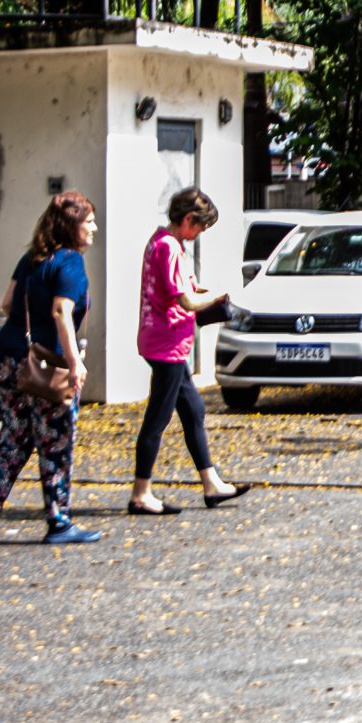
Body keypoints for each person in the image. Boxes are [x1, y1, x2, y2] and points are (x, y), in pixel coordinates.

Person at [0, 192, 103, 546]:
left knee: (16, 434)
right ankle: (59, 521)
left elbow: (8, 303)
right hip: (45, 365)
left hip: (7, 357)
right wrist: (74, 361)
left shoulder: (31, 259)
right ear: (71, 226)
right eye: (89, 221)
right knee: (56, 440)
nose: (94, 228)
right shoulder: (70, 261)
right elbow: (61, 312)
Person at [127, 188, 247, 517]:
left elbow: (183, 289)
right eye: (200, 227)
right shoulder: (167, 247)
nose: (200, 233)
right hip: (165, 345)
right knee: (157, 419)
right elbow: (187, 301)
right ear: (188, 219)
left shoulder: (164, 242)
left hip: (169, 344)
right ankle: (140, 494)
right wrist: (218, 297)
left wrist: (205, 293)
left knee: (194, 410)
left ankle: (212, 484)